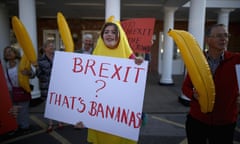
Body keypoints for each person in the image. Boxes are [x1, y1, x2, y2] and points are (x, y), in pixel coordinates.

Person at [75, 16, 143, 144]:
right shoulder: (95, 55)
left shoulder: (129, 55)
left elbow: (137, 71)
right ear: (102, 36)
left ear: (119, 35)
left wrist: (138, 62)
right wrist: (80, 116)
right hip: (100, 111)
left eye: (113, 32)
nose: (109, 35)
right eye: (106, 32)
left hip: (119, 111)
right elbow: (86, 87)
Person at [182, 24, 240, 144]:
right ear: (208, 40)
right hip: (197, 121)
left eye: (226, 35)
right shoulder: (197, 60)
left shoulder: (236, 60)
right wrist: (193, 95)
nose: (224, 39)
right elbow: (185, 87)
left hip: (225, 123)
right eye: (219, 36)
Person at [3, 46, 34, 134]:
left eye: (10, 51)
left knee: (23, 110)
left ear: (15, 53)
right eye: (6, 52)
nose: (8, 53)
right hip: (10, 92)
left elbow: (32, 74)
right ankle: (15, 126)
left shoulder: (21, 63)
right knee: (13, 111)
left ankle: (24, 127)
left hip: (22, 89)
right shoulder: (5, 66)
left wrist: (28, 73)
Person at [36, 40, 63, 132]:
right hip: (46, 85)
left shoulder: (58, 57)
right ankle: (50, 123)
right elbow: (38, 74)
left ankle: (59, 121)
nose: (52, 47)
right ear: (45, 48)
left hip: (58, 85)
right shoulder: (40, 60)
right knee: (49, 105)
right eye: (49, 46)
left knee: (58, 103)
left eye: (52, 46)